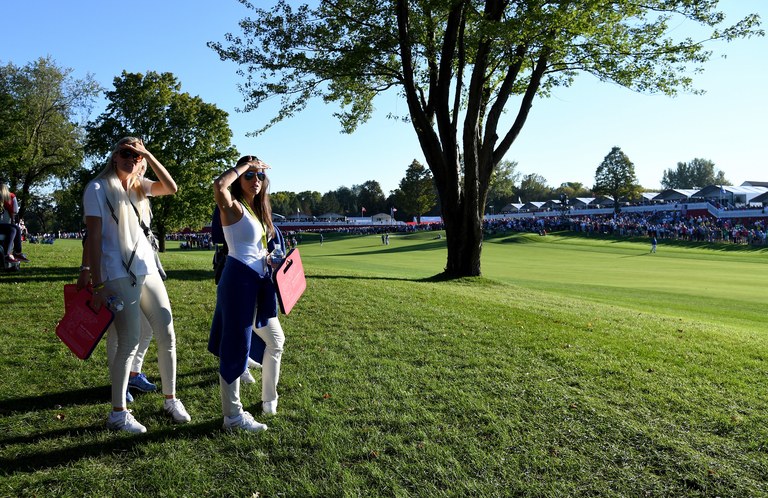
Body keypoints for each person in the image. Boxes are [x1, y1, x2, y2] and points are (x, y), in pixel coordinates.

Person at [81, 136, 190, 433]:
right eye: (126, 153)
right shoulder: (98, 188)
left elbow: (171, 187)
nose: (132, 159)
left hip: (147, 268)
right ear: (114, 156)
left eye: (136, 155)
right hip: (116, 271)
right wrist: (97, 283)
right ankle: (118, 413)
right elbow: (92, 237)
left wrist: (149, 154)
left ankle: (171, 399)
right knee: (127, 340)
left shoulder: (140, 187)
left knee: (166, 331)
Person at [209, 155, 286, 433]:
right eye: (250, 176)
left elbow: (256, 248)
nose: (256, 180)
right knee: (235, 348)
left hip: (258, 282)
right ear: (239, 179)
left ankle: (269, 401)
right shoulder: (232, 207)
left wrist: (270, 259)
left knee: (276, 340)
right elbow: (219, 185)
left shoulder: (256, 210)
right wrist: (245, 165)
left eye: (260, 176)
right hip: (238, 281)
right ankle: (232, 417)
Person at [1, 182, 30, 263]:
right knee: (13, 229)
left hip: (3, 224)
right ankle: (8, 254)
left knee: (16, 228)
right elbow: (15, 210)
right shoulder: (11, 196)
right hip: (4, 224)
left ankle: (17, 252)